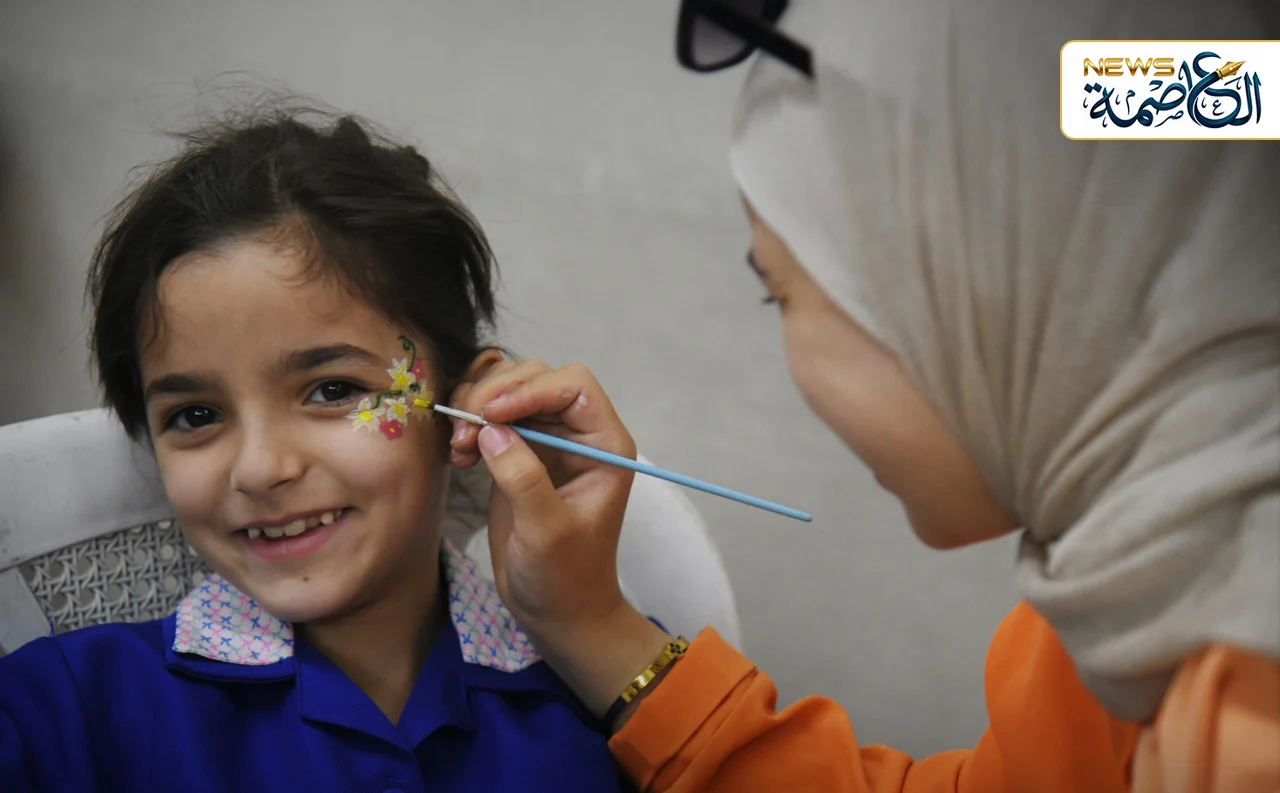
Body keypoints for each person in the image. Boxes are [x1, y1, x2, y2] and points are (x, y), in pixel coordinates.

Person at [444, 0, 1280, 790]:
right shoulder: (1135, 607)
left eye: (779, 291)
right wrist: (590, 624)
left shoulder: (1245, 718)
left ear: (984, 283)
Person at [0, 108, 631, 792]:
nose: (261, 469)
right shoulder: (65, 712)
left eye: (333, 389)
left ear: (471, 407)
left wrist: (593, 628)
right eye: (196, 415)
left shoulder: (615, 680)